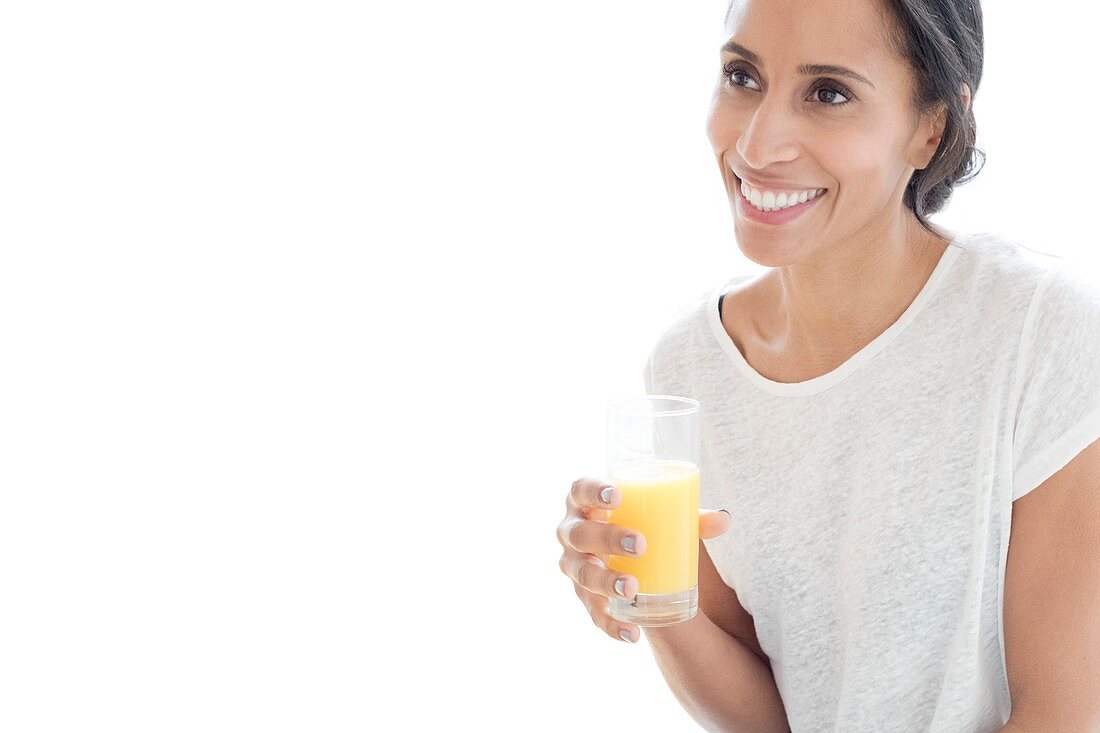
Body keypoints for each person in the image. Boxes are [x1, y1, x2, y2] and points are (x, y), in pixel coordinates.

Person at [555, 0, 1100, 731]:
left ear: (931, 126)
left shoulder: (1040, 334)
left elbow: (1067, 713)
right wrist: (653, 591)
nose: (757, 143)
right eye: (742, 76)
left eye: (829, 93)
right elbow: (772, 717)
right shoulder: (690, 368)